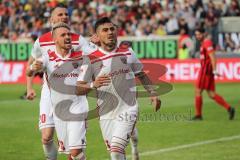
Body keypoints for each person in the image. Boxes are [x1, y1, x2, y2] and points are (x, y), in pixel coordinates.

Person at [76, 17, 161, 160]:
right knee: (115, 154)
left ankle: (133, 144)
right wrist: (92, 85)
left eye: (112, 29)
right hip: (106, 114)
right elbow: (78, 88)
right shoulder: (90, 59)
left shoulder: (127, 51)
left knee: (116, 149)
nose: (110, 32)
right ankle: (134, 145)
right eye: (105, 30)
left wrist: (153, 93)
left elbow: (141, 74)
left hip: (128, 108)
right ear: (98, 36)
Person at [26, 4, 96, 160]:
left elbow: (95, 58)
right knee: (46, 136)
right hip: (49, 92)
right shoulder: (42, 41)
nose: (64, 16)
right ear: (51, 19)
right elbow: (31, 64)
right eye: (60, 14)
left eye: (66, 14)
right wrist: (29, 87)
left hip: (73, 94)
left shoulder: (78, 40)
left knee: (74, 149)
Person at [193, 28, 235, 120]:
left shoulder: (207, 42)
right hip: (206, 70)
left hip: (206, 71)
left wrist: (214, 70)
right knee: (211, 94)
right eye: (196, 35)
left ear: (204, 34)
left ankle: (198, 115)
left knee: (198, 91)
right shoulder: (203, 43)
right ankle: (229, 108)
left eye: (199, 34)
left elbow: (213, 57)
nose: (197, 36)